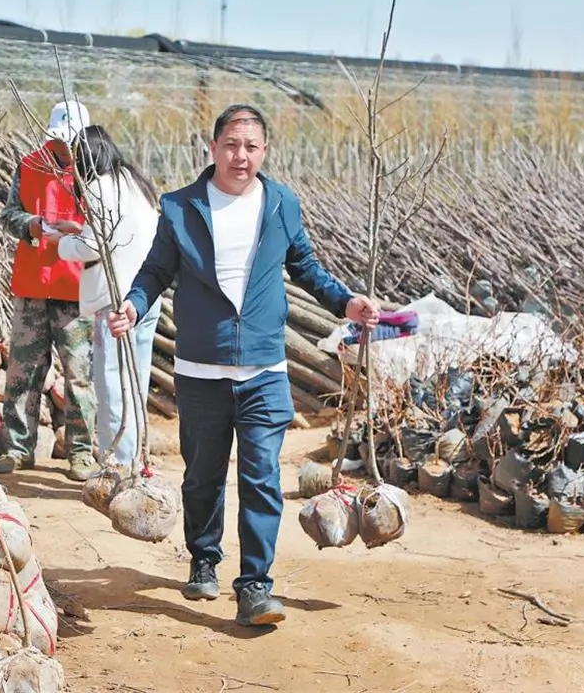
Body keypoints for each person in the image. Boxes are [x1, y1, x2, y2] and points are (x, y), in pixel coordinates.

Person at [107, 104, 380, 627]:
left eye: (251, 146)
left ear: (265, 152)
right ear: (212, 149)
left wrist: (346, 303)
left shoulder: (280, 204)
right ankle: (204, 557)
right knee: (202, 477)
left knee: (261, 480)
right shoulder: (180, 207)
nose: (241, 156)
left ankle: (255, 585)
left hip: (263, 369)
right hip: (201, 369)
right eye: (232, 144)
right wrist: (133, 305)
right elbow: (155, 271)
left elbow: (306, 267)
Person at [0, 101, 98, 481]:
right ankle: (19, 449)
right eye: (57, 141)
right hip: (33, 283)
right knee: (23, 372)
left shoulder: (95, 169)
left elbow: (107, 221)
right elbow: (9, 215)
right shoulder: (29, 164)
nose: (61, 149)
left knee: (79, 375)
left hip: (75, 285)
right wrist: (34, 225)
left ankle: (82, 452)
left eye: (68, 142)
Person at [43, 125, 161, 470]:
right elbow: (118, 235)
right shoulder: (135, 182)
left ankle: (116, 463)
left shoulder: (97, 187)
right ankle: (136, 458)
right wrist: (78, 229)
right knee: (136, 381)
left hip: (115, 298)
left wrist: (60, 243)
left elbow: (95, 245)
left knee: (110, 383)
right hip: (144, 296)